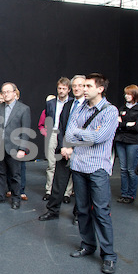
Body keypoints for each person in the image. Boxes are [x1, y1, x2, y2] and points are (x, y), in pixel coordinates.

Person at [65, 73, 118, 274]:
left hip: (97, 168)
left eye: (88, 86)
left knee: (102, 212)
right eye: (83, 85)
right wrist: (83, 134)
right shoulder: (79, 108)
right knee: (84, 210)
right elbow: (69, 134)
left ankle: (109, 256)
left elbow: (99, 137)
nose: (83, 89)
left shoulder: (110, 111)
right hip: (78, 166)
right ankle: (88, 245)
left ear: (100, 88)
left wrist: (81, 133)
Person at [38, 75, 86, 222]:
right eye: (75, 85)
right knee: (58, 182)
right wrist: (63, 147)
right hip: (63, 149)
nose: (77, 88)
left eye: (80, 85)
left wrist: (74, 149)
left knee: (80, 185)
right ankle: (53, 211)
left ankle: (79, 214)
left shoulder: (89, 106)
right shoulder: (67, 106)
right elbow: (61, 128)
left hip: (81, 152)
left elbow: (87, 132)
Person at [0, 82, 31, 210]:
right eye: (3, 92)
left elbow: (25, 131)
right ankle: (0, 195)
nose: (5, 94)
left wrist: (22, 149)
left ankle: (16, 198)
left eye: (8, 91)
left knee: (15, 175)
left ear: (14, 93)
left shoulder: (24, 109)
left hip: (15, 148)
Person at [115, 84, 138, 204]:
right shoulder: (123, 108)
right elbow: (116, 124)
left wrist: (123, 124)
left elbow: (137, 127)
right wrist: (128, 124)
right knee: (123, 169)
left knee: (131, 170)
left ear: (135, 95)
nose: (126, 96)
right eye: (126, 94)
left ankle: (131, 195)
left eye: (129, 94)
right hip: (121, 141)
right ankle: (124, 193)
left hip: (133, 142)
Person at [43, 77, 73, 203]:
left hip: (68, 135)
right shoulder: (51, 103)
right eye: (59, 88)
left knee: (68, 165)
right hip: (54, 134)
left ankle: (67, 193)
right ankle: (49, 191)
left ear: (69, 90)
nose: (61, 91)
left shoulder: (72, 103)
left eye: (64, 89)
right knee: (51, 164)